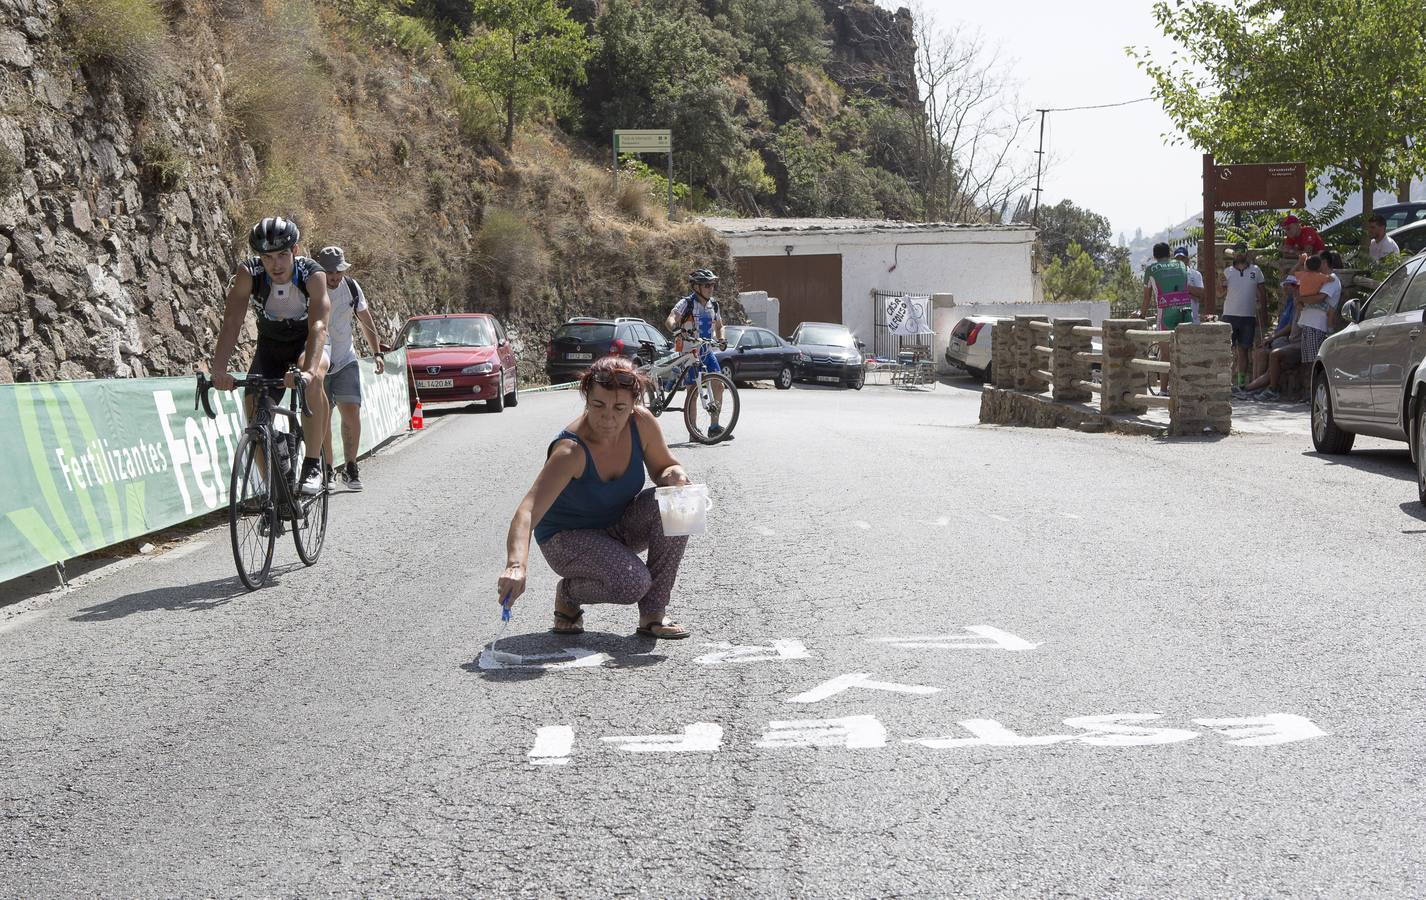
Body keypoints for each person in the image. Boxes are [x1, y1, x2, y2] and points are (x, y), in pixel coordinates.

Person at [498, 355, 695, 640]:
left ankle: (653, 613)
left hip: (616, 525)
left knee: (680, 503)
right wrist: (516, 566)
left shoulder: (641, 424)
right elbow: (527, 511)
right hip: (566, 539)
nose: (608, 417)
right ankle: (567, 594)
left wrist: (674, 476)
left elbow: (665, 466)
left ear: (633, 405)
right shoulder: (571, 450)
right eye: (598, 405)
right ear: (586, 397)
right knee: (632, 583)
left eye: (620, 408)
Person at [211, 217, 331, 496]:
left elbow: (319, 326)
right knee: (253, 403)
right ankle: (272, 488)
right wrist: (219, 370)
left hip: (308, 342)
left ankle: (313, 464)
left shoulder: (312, 275)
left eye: (282, 255)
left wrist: (309, 372)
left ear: (295, 251)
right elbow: (232, 322)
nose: (275, 265)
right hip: (271, 345)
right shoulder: (248, 274)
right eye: (267, 257)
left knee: (313, 380)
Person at [314, 246, 384, 492]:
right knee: (322, 418)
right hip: (318, 360)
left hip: (345, 359)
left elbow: (365, 320)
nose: (334, 277)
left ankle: (351, 466)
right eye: (329, 272)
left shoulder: (351, 287)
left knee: (351, 413)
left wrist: (377, 353)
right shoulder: (312, 288)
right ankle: (328, 470)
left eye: (338, 272)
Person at [665, 268, 730, 439]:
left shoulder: (713, 304)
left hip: (707, 352)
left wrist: (721, 338)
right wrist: (676, 328)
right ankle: (693, 431)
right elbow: (671, 318)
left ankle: (714, 426)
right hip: (690, 352)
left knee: (719, 385)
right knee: (692, 391)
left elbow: (719, 325)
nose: (711, 288)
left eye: (713, 285)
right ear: (696, 287)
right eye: (707, 285)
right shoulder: (686, 303)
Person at [1237, 275, 1300, 401]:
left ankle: (1252, 388)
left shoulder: (1298, 304)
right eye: (1286, 285)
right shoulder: (1290, 301)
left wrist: (1272, 337)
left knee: (1268, 355)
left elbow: (1289, 327)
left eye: (1290, 285)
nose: (1286, 287)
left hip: (1285, 339)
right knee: (1259, 352)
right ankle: (1253, 388)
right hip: (1280, 338)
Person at [1140, 242, 1192, 391]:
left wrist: (1141, 315)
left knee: (1165, 354)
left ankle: (1163, 390)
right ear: (1169, 253)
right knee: (1185, 351)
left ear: (1155, 256)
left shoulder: (1151, 269)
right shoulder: (1181, 265)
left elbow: (1146, 298)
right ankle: (1185, 388)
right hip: (1185, 309)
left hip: (1166, 311)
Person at [1219, 245, 1266, 388]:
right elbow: (1219, 294)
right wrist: (1220, 284)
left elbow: (1262, 295)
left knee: (1244, 349)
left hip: (1248, 316)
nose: (1240, 254)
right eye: (1237, 251)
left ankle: (1240, 384)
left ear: (1246, 253)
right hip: (1229, 315)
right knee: (1227, 350)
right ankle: (1226, 382)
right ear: (1234, 254)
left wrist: (1264, 316)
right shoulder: (1228, 272)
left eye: (1242, 251)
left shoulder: (1256, 271)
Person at [1173, 246, 1205, 321]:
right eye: (1177, 258)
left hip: (1192, 318)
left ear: (1187, 260)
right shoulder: (1171, 275)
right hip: (1175, 318)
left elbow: (1202, 295)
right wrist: (1191, 294)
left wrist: (1184, 288)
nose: (1180, 261)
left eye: (1182, 258)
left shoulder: (1195, 274)